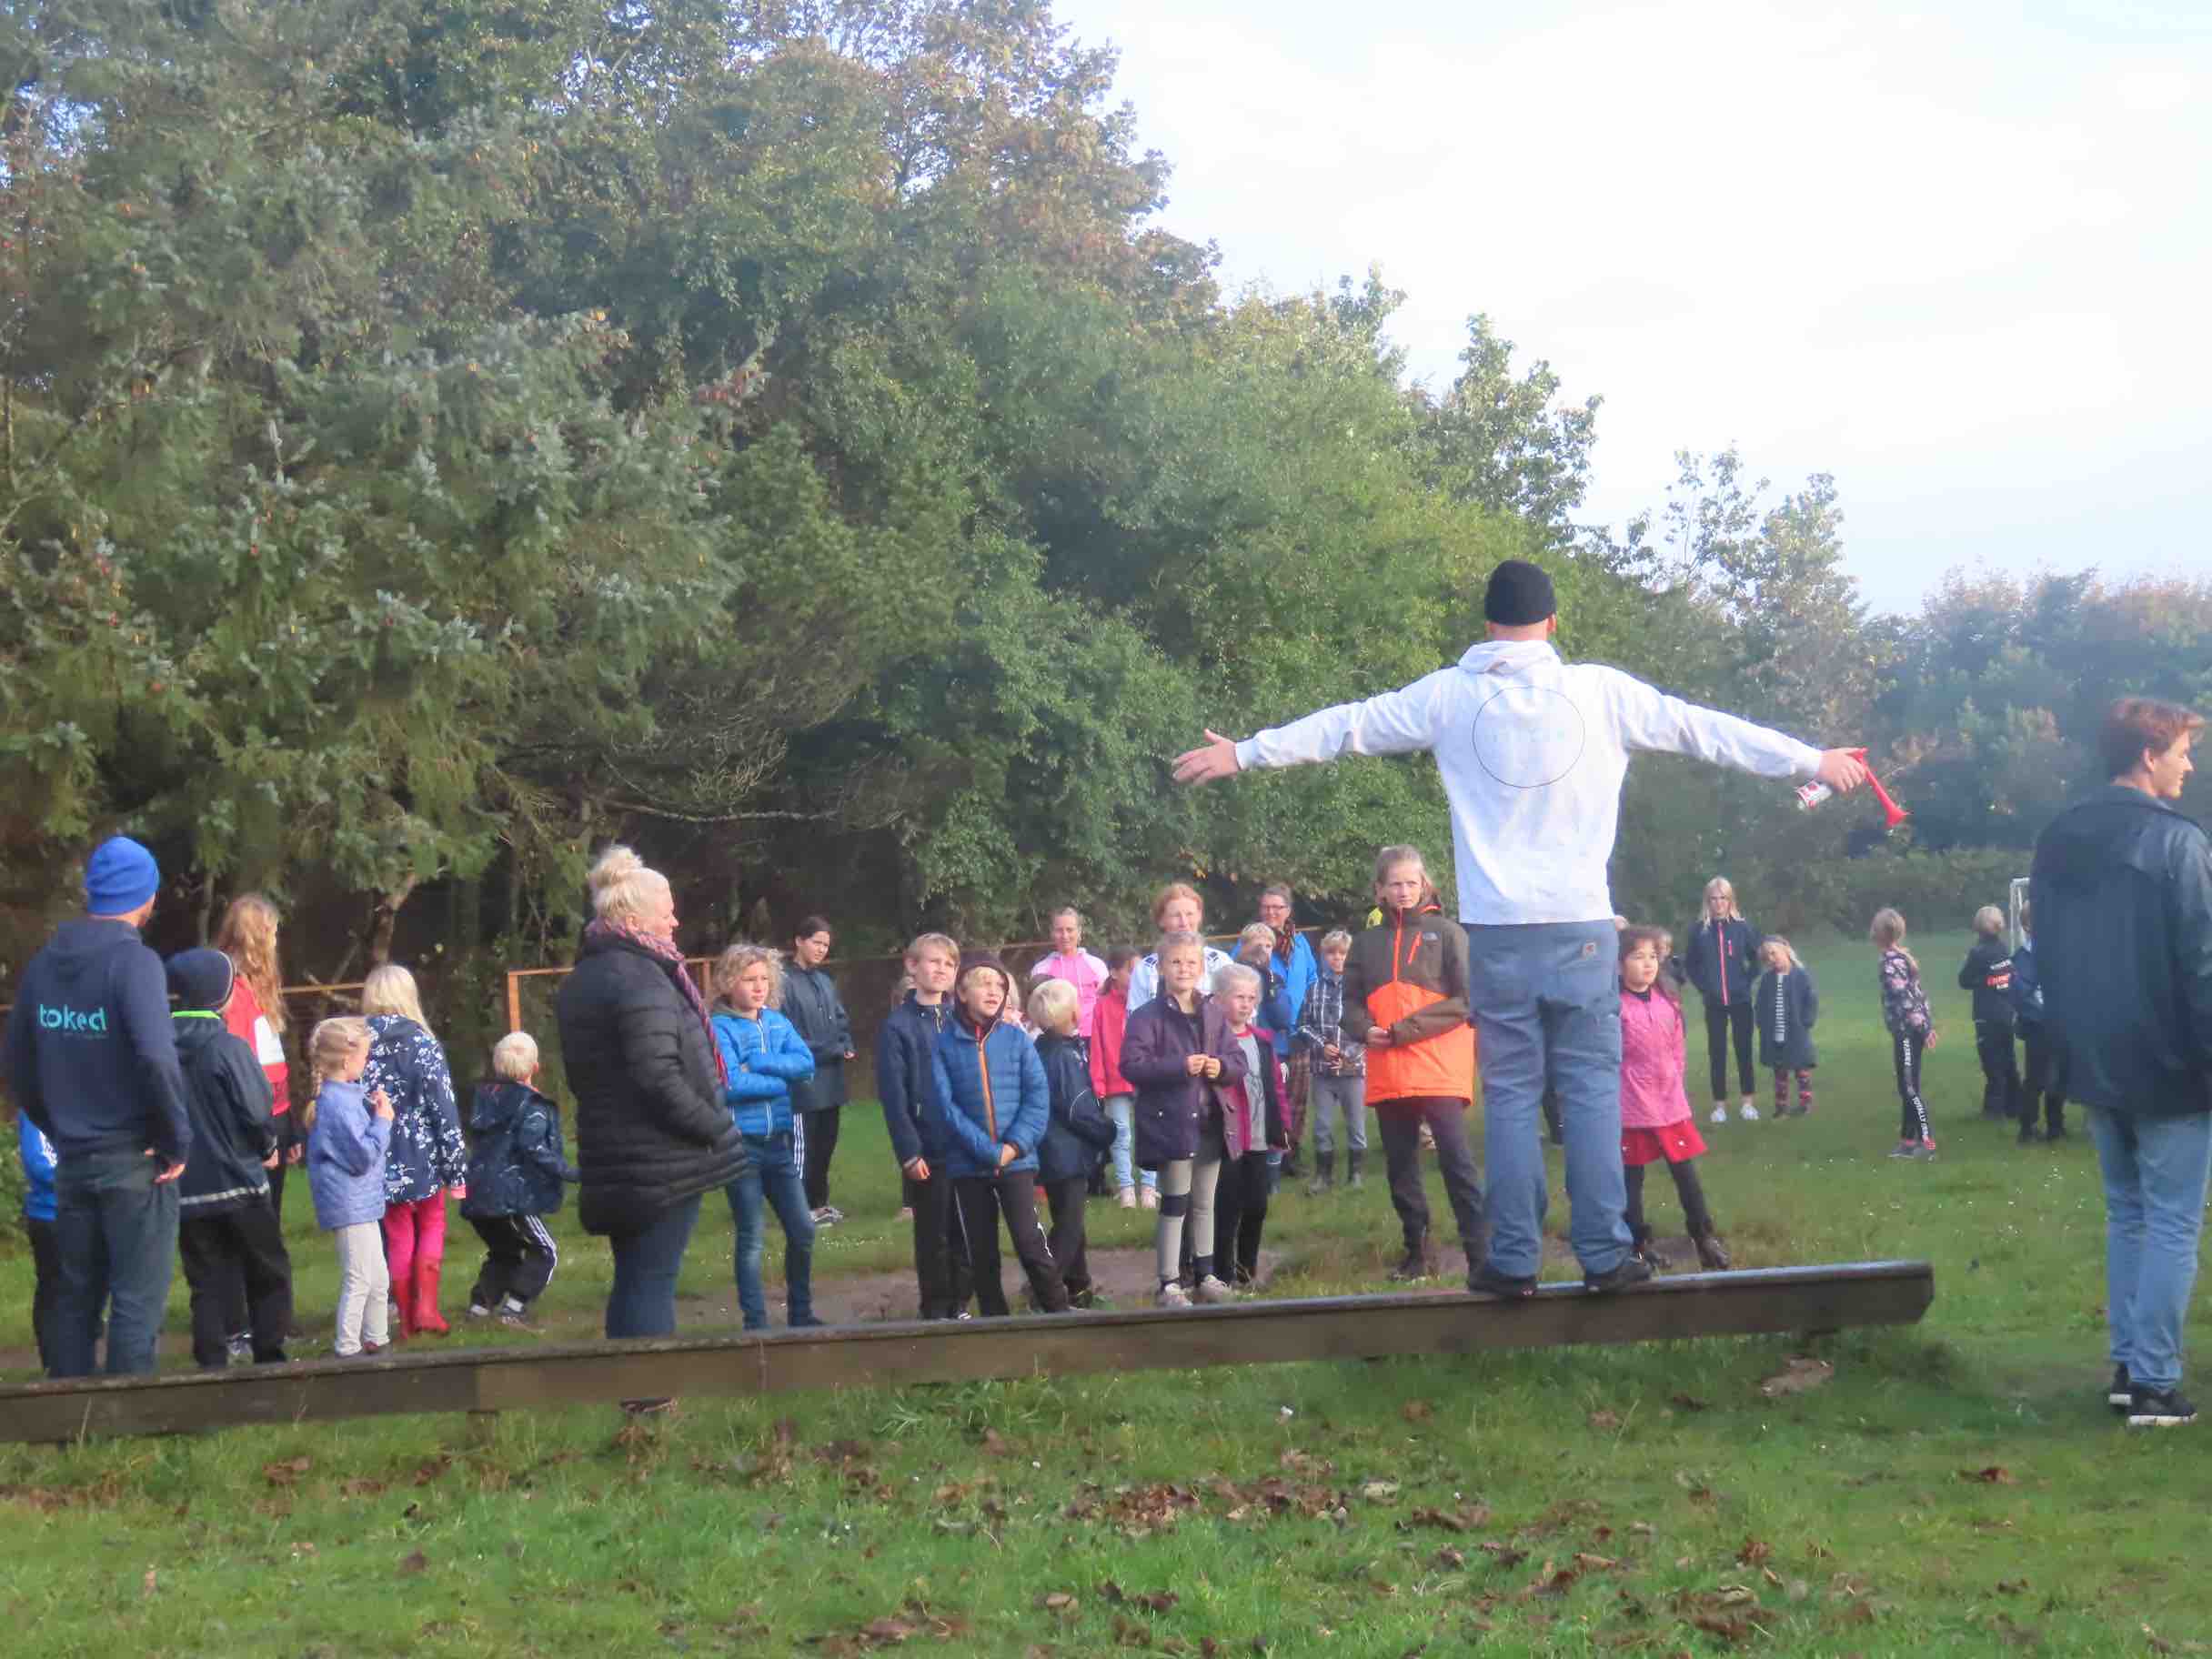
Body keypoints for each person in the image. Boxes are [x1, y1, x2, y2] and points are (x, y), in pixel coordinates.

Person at [1172, 558, 1869, 1298]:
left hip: (1497, 934)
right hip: (1582, 929)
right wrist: (1812, 759)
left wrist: (1244, 752)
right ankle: (1605, 1253)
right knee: (1592, 1091)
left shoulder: (1447, 696)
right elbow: (1707, 731)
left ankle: (1512, 1259)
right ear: (1553, 624)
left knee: (1508, 1094)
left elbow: (1348, 726)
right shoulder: (1601, 692)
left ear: (1486, 624)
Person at [2032, 696, 2211, 1429]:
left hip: (2093, 1056)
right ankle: (2155, 1385)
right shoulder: (2178, 841)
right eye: (2182, 751)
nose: (2190, 764)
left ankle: (2129, 1365)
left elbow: (2045, 948)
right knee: (2169, 1220)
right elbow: (2204, 962)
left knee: (2129, 1214)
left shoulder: (2058, 837)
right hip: (2170, 1059)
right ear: (2148, 754)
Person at [0, 835, 191, 1377]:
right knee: (136, 1298)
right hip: (137, 1160)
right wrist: (175, 1139)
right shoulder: (136, 964)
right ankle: (122, 1434)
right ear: (146, 895)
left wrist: (56, 1125)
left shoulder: (44, 964)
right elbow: (157, 1058)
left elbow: (14, 1062)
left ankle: (71, 1427)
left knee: (74, 1298)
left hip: (73, 1163)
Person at [553, 846, 749, 1359]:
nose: (676, 919)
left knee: (635, 1278)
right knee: (651, 1282)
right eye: (668, 910)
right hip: (659, 1162)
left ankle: (635, 1402)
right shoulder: (641, 977)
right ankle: (651, 1405)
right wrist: (713, 1126)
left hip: (615, 1156)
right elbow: (657, 1075)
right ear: (634, 916)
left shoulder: (586, 977)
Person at [1342, 847, 1488, 1285]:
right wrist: (1362, 1029)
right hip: (1388, 1067)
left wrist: (1406, 1028)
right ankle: (1417, 1254)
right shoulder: (1366, 943)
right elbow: (1347, 1002)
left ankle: (1480, 1255)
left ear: (1425, 884)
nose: (1404, 891)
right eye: (1395, 884)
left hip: (1439, 1065)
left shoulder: (1447, 933)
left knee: (1456, 1162)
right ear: (1379, 890)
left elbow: (1466, 1001)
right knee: (1401, 1165)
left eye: (1412, 883)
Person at [925, 951, 1070, 1317]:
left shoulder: (1018, 1041)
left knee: (1029, 1241)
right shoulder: (943, 1045)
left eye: (1000, 985)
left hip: (1017, 1161)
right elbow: (944, 1108)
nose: (994, 990)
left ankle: (1059, 1312)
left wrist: (1013, 1146)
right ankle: (996, 1324)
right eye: (984, 983)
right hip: (968, 1166)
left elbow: (1038, 1099)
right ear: (961, 992)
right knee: (981, 1250)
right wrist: (986, 1151)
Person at [166, 948, 292, 1369]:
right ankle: (270, 1356)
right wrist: (268, 1147)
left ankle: (211, 1363)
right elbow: (256, 1109)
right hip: (240, 1182)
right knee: (267, 1271)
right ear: (219, 997)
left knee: (205, 1281)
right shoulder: (228, 1047)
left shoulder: (156, 1049)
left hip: (185, 1187)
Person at [1122, 930, 1247, 1307]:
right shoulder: (1147, 1016)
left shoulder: (1213, 1011)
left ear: (1202, 967)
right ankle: (1168, 1282)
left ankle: (1206, 1276)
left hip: (1211, 1123)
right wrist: (1179, 1067)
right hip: (1172, 1123)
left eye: (1191, 962)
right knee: (1174, 1202)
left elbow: (1237, 1062)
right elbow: (1131, 1065)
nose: (1184, 969)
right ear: (1161, 968)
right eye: (1175, 962)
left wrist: (1219, 1066)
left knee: (1205, 1203)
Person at [709, 944, 821, 1332]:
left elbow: (806, 1065)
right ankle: (755, 1324)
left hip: (779, 1145)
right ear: (728, 982)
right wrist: (780, 1080)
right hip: (741, 1146)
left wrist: (758, 1063)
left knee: (803, 1229)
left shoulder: (776, 1022)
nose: (758, 987)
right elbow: (731, 1086)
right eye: (748, 979)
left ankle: (801, 1315)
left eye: (763, 979)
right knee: (752, 1237)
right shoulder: (719, 1027)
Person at [1616, 927, 1731, 1272]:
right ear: (1620, 965)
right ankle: (1636, 1245)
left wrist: (1675, 1080)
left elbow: (1677, 1046)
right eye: (1638, 957)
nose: (1648, 964)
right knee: (1630, 1179)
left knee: (1685, 1172)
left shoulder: (1668, 999)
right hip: (1631, 1102)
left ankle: (1703, 1235)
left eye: (1653, 956)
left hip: (1668, 1101)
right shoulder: (1613, 1007)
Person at [363, 964, 467, 1339]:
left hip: (379, 1159)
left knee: (399, 1235)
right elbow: (444, 1108)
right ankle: (427, 1308)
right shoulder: (423, 1044)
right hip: (424, 1161)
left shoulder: (356, 1044)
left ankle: (405, 1319)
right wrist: (456, 1171)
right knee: (433, 1223)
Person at [879, 932, 974, 1318]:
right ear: (912, 965)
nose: (941, 970)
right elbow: (893, 1096)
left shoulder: (962, 1020)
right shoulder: (897, 1027)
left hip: (967, 1144)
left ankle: (962, 1302)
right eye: (933, 961)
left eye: (949, 964)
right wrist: (908, 1150)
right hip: (927, 1148)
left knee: (966, 1230)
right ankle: (935, 1308)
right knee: (933, 1233)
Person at [460, 1031, 578, 1327]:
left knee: (505, 1252)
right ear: (535, 1068)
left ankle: (479, 1308)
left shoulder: (483, 1101)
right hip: (513, 1198)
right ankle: (514, 1307)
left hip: (477, 1193)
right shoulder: (534, 1107)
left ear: (497, 1066)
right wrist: (571, 1172)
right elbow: (535, 1148)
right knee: (545, 1250)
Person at [304, 1016, 394, 1359]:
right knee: (360, 1278)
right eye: (364, 1056)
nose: (367, 1062)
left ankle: (377, 1338)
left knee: (379, 1277)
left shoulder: (348, 1097)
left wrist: (372, 1112)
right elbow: (361, 1156)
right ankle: (347, 1348)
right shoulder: (337, 1104)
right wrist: (383, 1121)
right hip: (349, 1203)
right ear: (346, 1059)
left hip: (363, 1202)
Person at [1031, 979, 1119, 1307]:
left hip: (1052, 1151)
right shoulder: (1064, 1056)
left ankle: (1078, 1286)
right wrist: (1107, 1130)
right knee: (1069, 1224)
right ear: (1070, 1012)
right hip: (1066, 1151)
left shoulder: (1042, 1048)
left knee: (1070, 1219)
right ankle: (1044, 1289)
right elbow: (1075, 1108)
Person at [214, 896, 297, 1220]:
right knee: (254, 1220)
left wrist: (288, 1125)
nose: (276, 942)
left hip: (276, 1114)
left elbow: (273, 1059)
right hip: (252, 1121)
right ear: (258, 938)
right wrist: (260, 1131)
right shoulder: (231, 989)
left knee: (269, 1215)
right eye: (272, 934)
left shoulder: (262, 987)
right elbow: (238, 1067)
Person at [1212, 963, 1288, 1287]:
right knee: (1226, 1210)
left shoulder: (1262, 1040)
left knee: (1257, 1206)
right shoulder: (1212, 1041)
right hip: (1226, 1140)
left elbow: (1275, 1088)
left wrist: (1282, 1126)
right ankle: (1222, 1275)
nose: (1246, 1004)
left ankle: (1247, 1272)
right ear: (1218, 1000)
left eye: (1251, 997)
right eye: (1239, 997)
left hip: (1258, 1138)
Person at [782, 915, 853, 1227]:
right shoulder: (782, 981)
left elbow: (840, 1020)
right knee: (803, 1150)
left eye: (826, 944)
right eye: (816, 942)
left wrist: (846, 1042)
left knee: (825, 1147)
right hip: (803, 1084)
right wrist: (830, 1049)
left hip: (832, 1081)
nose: (822, 949)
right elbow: (787, 1033)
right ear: (799, 940)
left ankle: (819, 1205)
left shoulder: (826, 982)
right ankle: (797, 1211)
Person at [1296, 930, 1367, 1193]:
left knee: (1356, 1124)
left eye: (1342, 953)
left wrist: (1347, 1058)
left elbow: (1369, 1029)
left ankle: (1356, 1174)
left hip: (1354, 1070)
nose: (1337, 958)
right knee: (1322, 1125)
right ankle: (1323, 1176)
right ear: (1322, 956)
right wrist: (1322, 1045)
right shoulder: (1313, 990)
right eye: (1331, 953)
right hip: (1322, 1071)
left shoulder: (1361, 991)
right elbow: (1302, 1025)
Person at [1686, 878, 1762, 1124]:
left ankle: (1748, 1103)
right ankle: (1719, 1106)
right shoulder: (1699, 930)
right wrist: (1705, 988)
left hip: (1740, 1000)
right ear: (1708, 901)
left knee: (1744, 1050)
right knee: (1717, 1052)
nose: (1719, 903)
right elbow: (1691, 965)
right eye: (1714, 899)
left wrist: (1744, 982)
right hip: (1714, 1003)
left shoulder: (1743, 928)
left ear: (1731, 900)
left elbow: (1757, 958)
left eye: (1723, 898)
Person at [1255, 885, 1317, 1179]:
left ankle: (1292, 1154)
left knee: (1297, 1099)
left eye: (1277, 907)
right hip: (1266, 1036)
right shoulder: (1251, 942)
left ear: (1288, 911)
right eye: (1266, 907)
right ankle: (1268, 1159)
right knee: (1271, 1101)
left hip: (1298, 1033)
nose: (1271, 912)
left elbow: (1312, 978)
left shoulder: (1300, 943)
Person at [1089, 946, 1153, 1211]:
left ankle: (1149, 1187)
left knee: (1149, 1133)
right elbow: (1097, 1047)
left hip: (1147, 1079)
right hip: (1116, 1081)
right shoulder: (1102, 1006)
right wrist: (1099, 1082)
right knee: (1121, 1135)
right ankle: (1126, 1189)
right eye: (1131, 969)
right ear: (1114, 973)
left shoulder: (1150, 1003)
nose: (1138, 975)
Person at [1872, 909, 1938, 1160]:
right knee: (1908, 1087)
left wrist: (1923, 1028)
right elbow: (1921, 997)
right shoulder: (1901, 959)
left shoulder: (1891, 964)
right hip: (1910, 1031)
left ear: (1879, 934)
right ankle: (1907, 1142)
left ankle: (1927, 1144)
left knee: (1909, 1089)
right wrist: (1927, 1026)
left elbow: (1907, 999)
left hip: (1908, 1033)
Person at [2010, 900, 2068, 1144]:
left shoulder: (2060, 954)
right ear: (2027, 926)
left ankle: (2056, 1127)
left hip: (2061, 1024)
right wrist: (2043, 1016)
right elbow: (2021, 995)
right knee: (2036, 1079)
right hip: (2038, 1027)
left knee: (2059, 1076)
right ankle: (2027, 1127)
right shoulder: (2022, 959)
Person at [1126, 884, 1236, 1011]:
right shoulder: (1145, 970)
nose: (1184, 922)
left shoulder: (1220, 962)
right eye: (1176, 915)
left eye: (1189, 914)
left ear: (1199, 916)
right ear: (1161, 920)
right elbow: (1136, 1021)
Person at [1959, 906, 2023, 1121]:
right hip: (2006, 1012)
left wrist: (1979, 979)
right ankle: (2015, 1105)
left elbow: (1964, 980)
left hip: (1986, 1014)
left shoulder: (1978, 953)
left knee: (1991, 1062)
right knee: (2008, 1059)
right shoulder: (2003, 949)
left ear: (1978, 927)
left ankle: (1995, 1110)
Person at [1753, 937, 1818, 1118]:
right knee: (1780, 1072)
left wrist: (1806, 1021)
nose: (1772, 958)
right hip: (1776, 1035)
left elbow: (1810, 1000)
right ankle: (1781, 1107)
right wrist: (1761, 1023)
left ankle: (1805, 1103)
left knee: (1801, 1069)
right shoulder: (1767, 980)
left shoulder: (1801, 976)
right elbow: (1760, 1004)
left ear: (1786, 950)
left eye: (1774, 953)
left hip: (1796, 1033)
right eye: (1767, 957)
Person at [15, 1115, 60, 1372]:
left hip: (80, 1212)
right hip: (49, 1214)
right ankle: (53, 1363)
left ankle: (75, 1359)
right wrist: (79, 1179)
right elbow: (39, 1163)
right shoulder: (35, 1109)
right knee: (53, 1290)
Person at [1033, 909, 1109, 1048]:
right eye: (1059, 930)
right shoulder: (1041, 969)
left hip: (1094, 1038)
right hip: (1056, 1042)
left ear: (1079, 932)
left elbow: (1106, 1003)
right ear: (1052, 933)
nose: (1065, 935)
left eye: (1070, 930)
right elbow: (1038, 1010)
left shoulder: (1096, 965)